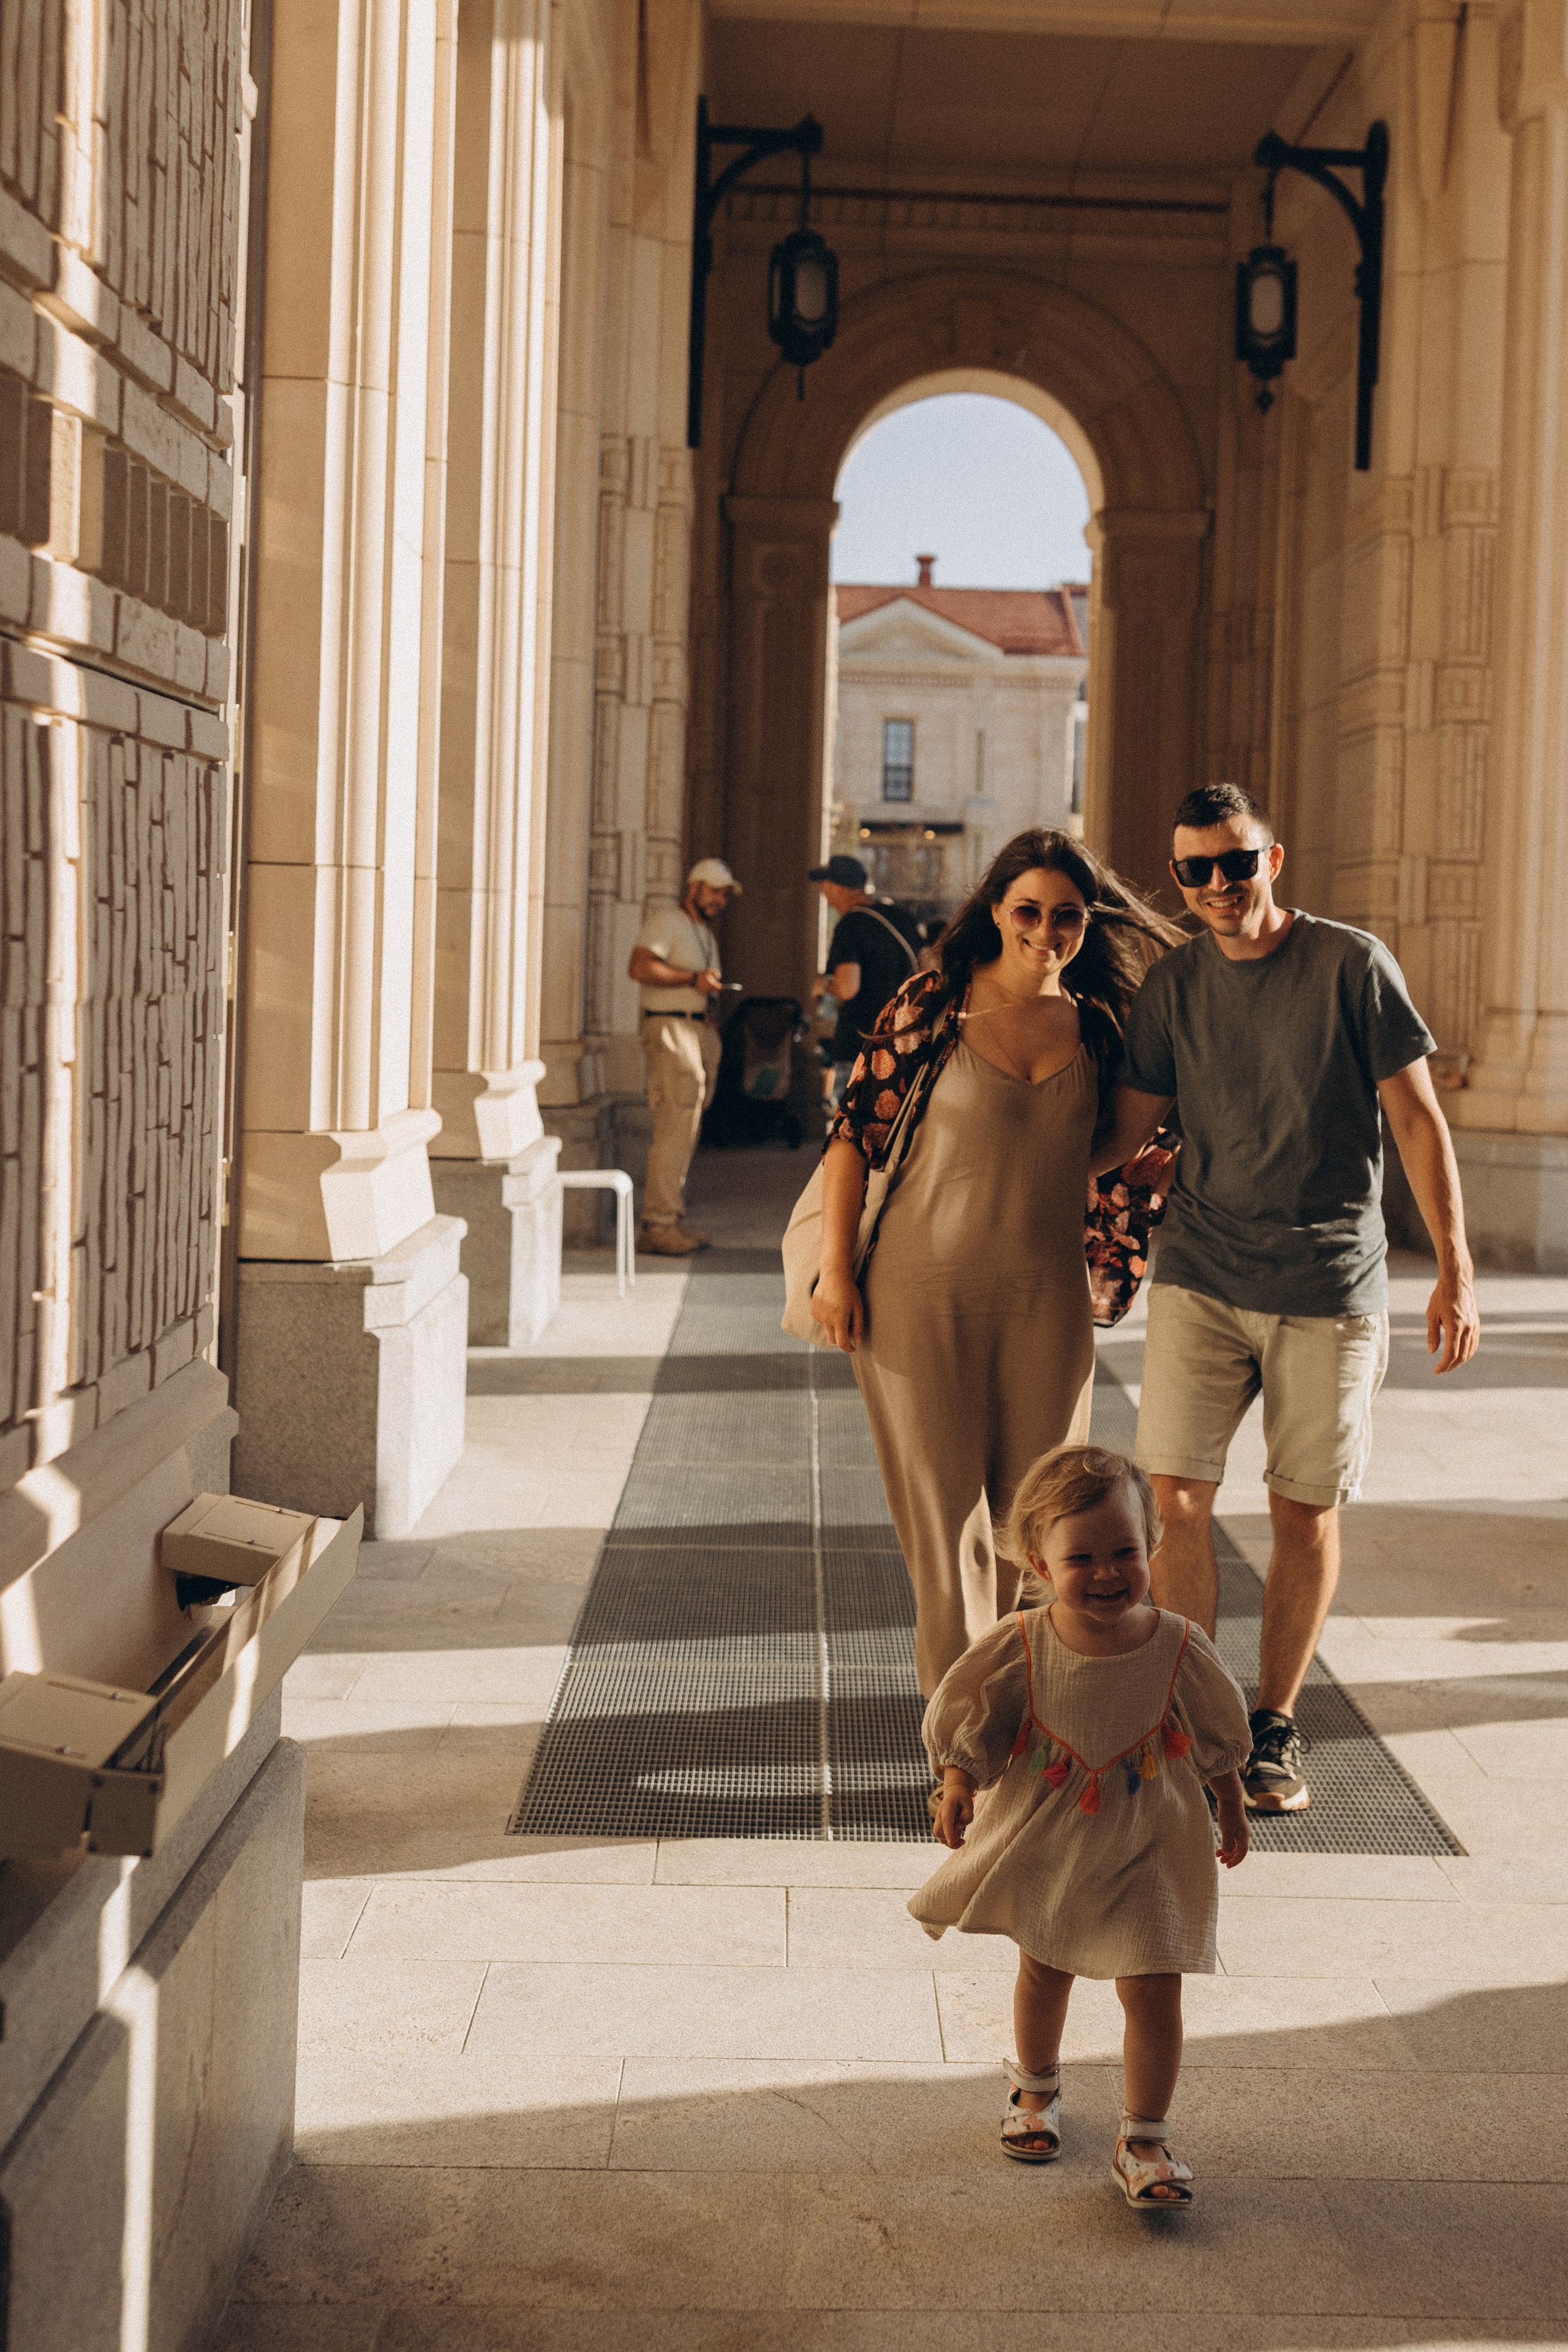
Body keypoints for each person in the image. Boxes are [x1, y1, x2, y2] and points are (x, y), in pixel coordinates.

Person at [1103, 782, 1480, 1814]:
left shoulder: (1350, 963)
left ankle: (1273, 1728)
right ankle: (1197, 1715)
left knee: (1301, 1512)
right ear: (1179, 882)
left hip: (1328, 1281)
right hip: (1204, 1274)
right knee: (1175, 1501)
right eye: (1196, 871)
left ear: (1274, 859)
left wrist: (1455, 1265)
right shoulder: (1175, 984)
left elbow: (1417, 1123)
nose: (1220, 885)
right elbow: (1124, 1129)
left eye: (1237, 862)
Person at [812, 828, 1182, 1698]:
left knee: (1045, 1531)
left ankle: (1032, 1720)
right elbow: (853, 1136)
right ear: (995, 910)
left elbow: (1087, 1153)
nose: (1045, 932)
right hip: (915, 1295)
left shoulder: (1101, 1027)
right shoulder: (935, 1002)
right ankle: (963, 1754)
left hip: (1044, 1304)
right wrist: (835, 1271)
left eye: (1067, 916)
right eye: (1028, 911)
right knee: (949, 1537)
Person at [913, 1444, 1250, 2206]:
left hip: (1151, 1845)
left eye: (1125, 1552)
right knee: (1045, 1965)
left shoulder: (1176, 1645)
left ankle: (1147, 2140)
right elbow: (973, 1718)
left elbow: (1216, 1729)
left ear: (1153, 1544)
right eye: (1083, 1557)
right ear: (1037, 1557)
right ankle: (1034, 2090)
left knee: (1155, 1989)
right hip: (1053, 1841)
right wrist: (958, 1781)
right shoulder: (1022, 1643)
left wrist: (1229, 1802)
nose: (1106, 1573)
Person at [627, 858, 740, 1257]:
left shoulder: (703, 933)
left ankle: (669, 1219)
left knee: (686, 1126)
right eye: (714, 890)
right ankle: (657, 1224)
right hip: (670, 1028)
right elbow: (639, 966)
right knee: (675, 1123)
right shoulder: (666, 923)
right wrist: (692, 979)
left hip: (697, 1029)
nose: (720, 899)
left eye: (725, 893)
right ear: (693, 887)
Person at [807, 854, 921, 1105]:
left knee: (852, 1125)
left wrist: (823, 985)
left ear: (837, 887)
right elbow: (929, 966)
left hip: (860, 1043)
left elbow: (848, 987)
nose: (823, 893)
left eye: (824, 887)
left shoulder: (850, 925)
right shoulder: (902, 918)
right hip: (903, 1040)